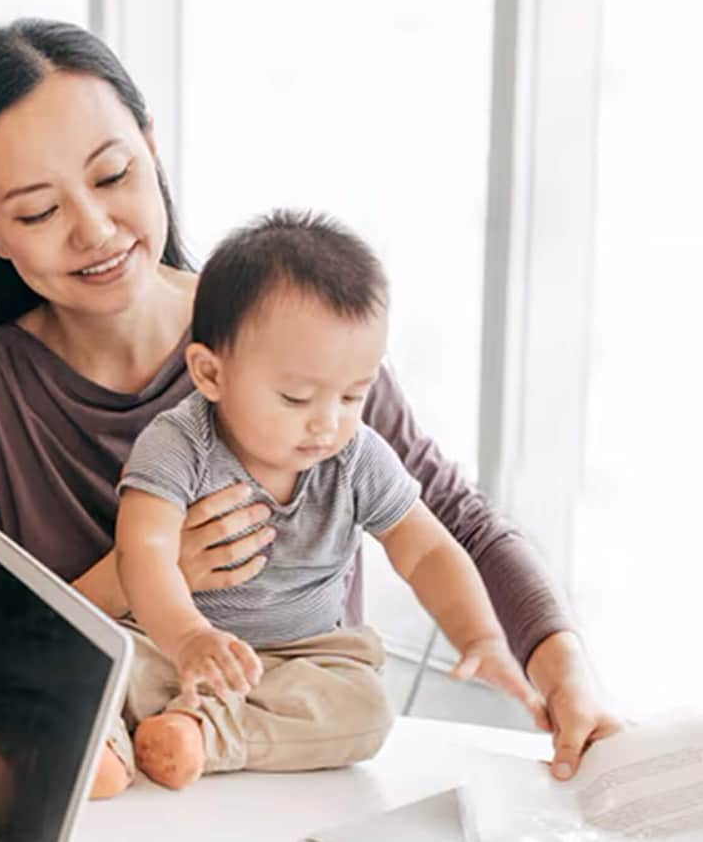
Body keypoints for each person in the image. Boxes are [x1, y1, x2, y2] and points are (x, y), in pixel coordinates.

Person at [0, 17, 622, 799]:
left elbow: (455, 523)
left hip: (301, 787)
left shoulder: (294, 343)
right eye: (39, 211)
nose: (97, 229)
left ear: (150, 143)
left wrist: (564, 668)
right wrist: (142, 576)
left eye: (113, 175)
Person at [112, 210, 544, 790]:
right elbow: (143, 551)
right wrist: (188, 637)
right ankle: (110, 747)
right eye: (296, 397)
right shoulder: (178, 441)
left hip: (304, 658)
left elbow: (427, 552)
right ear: (211, 374)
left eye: (351, 395)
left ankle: (204, 737)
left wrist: (480, 636)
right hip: (176, 643)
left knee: (364, 711)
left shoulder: (356, 455)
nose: (327, 422)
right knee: (110, 665)